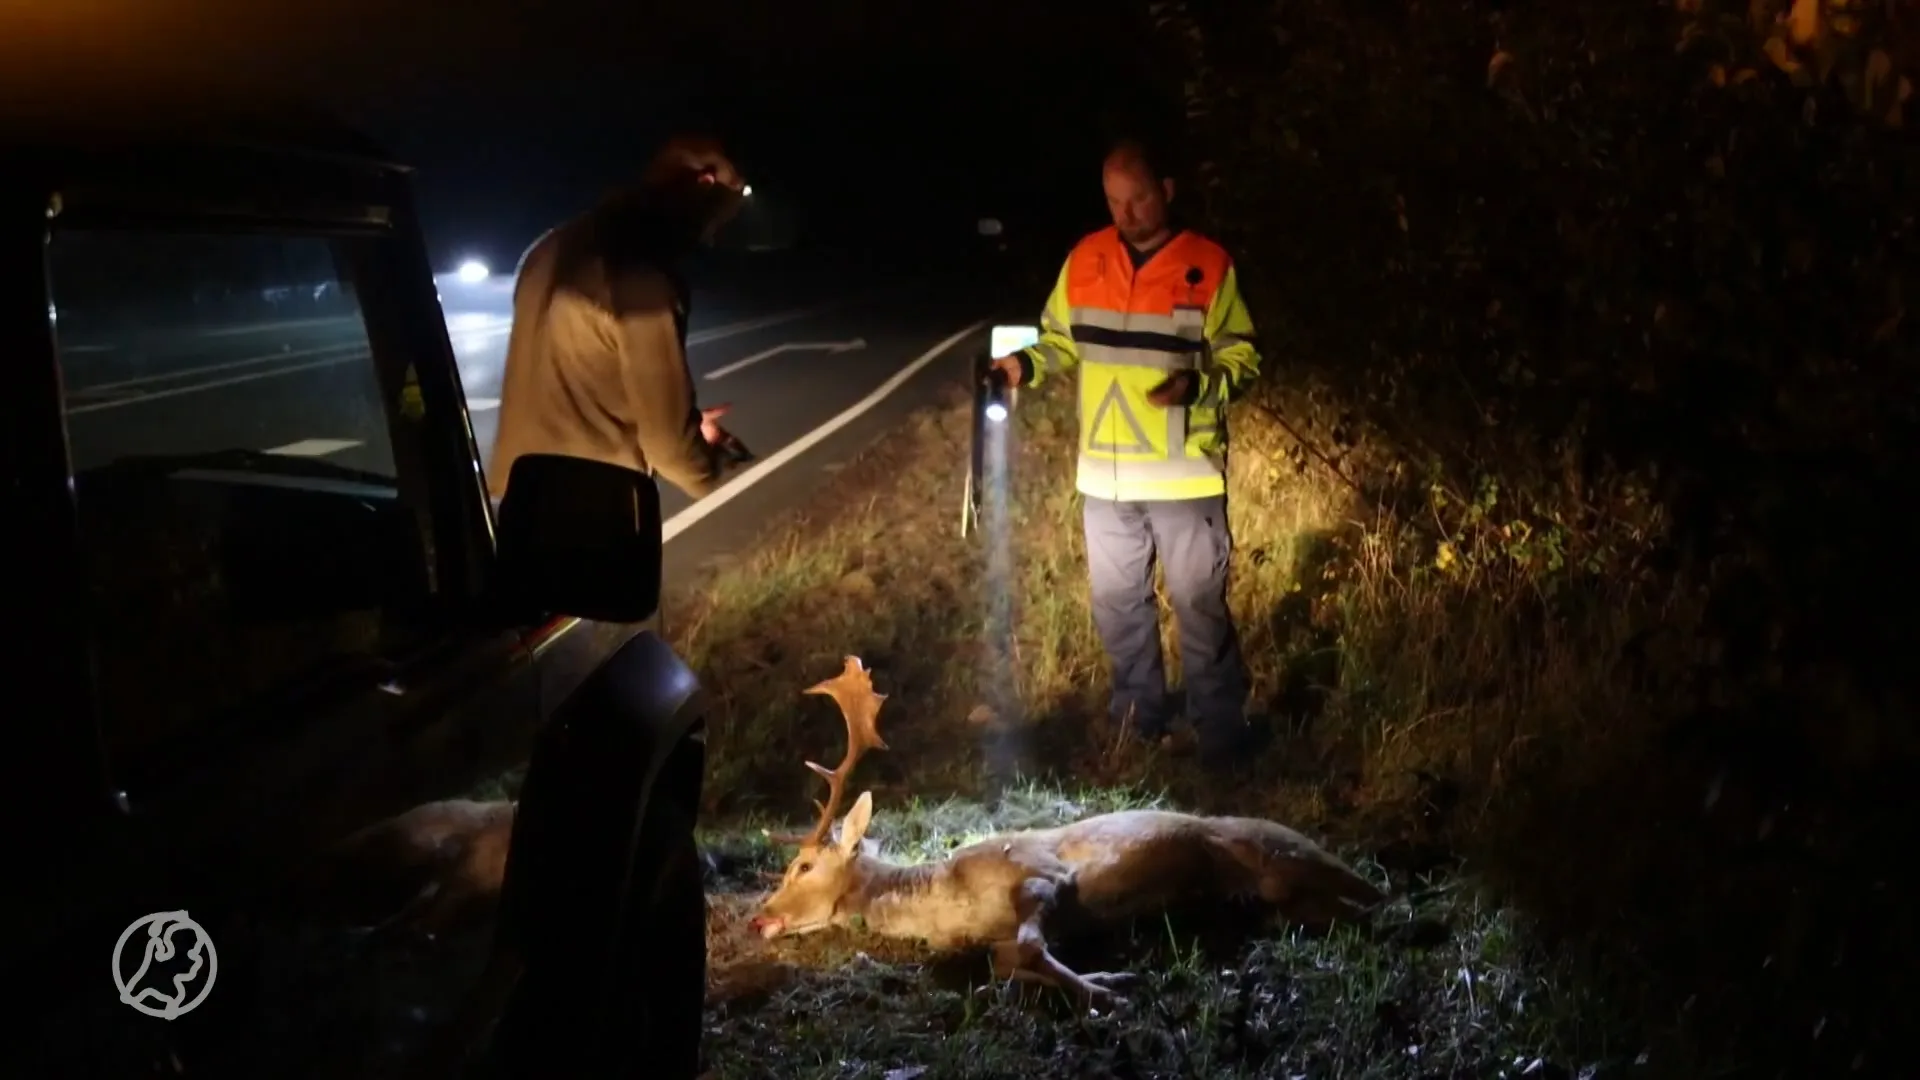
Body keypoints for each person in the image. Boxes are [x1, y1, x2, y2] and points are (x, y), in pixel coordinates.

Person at [987, 138, 1263, 773]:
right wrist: (1021, 366)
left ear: (1166, 189)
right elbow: (1060, 340)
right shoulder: (1085, 259)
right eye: (1114, 201)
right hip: (1105, 478)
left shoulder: (1208, 265)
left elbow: (1242, 355)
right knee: (1118, 610)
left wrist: (1200, 385)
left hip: (1184, 476)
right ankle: (1137, 724)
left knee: (1200, 611)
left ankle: (1221, 738)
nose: (1126, 214)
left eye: (1137, 199)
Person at [488, 135, 750, 503]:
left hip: (519, 498)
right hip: (593, 504)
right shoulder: (642, 278)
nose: (710, 235)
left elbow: (575, 386)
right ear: (704, 184)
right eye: (717, 219)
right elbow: (669, 448)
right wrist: (711, 461)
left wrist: (690, 423)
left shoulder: (547, 249)